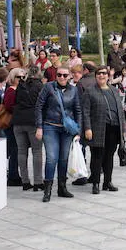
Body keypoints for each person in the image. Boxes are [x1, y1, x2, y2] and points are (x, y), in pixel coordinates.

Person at [35, 66, 82, 202]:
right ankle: (47, 189)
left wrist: (78, 130)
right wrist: (39, 126)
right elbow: (39, 106)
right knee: (51, 158)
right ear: (56, 76)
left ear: (70, 77)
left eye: (65, 75)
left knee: (64, 158)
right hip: (50, 126)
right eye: (59, 75)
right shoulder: (48, 87)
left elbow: (78, 110)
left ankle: (62, 187)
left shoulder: (73, 90)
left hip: (67, 129)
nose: (62, 77)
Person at [82, 66, 124, 194]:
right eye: (99, 74)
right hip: (98, 128)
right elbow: (85, 112)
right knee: (97, 156)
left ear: (108, 75)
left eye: (104, 73)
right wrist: (87, 128)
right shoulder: (90, 91)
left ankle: (107, 182)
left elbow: (119, 110)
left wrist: (122, 128)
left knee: (109, 157)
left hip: (114, 128)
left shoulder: (114, 91)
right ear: (95, 76)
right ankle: (95, 183)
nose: (102, 76)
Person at [12, 66, 44, 192]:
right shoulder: (40, 86)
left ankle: (25, 181)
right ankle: (38, 182)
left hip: (18, 120)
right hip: (33, 121)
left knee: (21, 151)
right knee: (37, 151)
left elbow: (15, 101)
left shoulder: (21, 85)